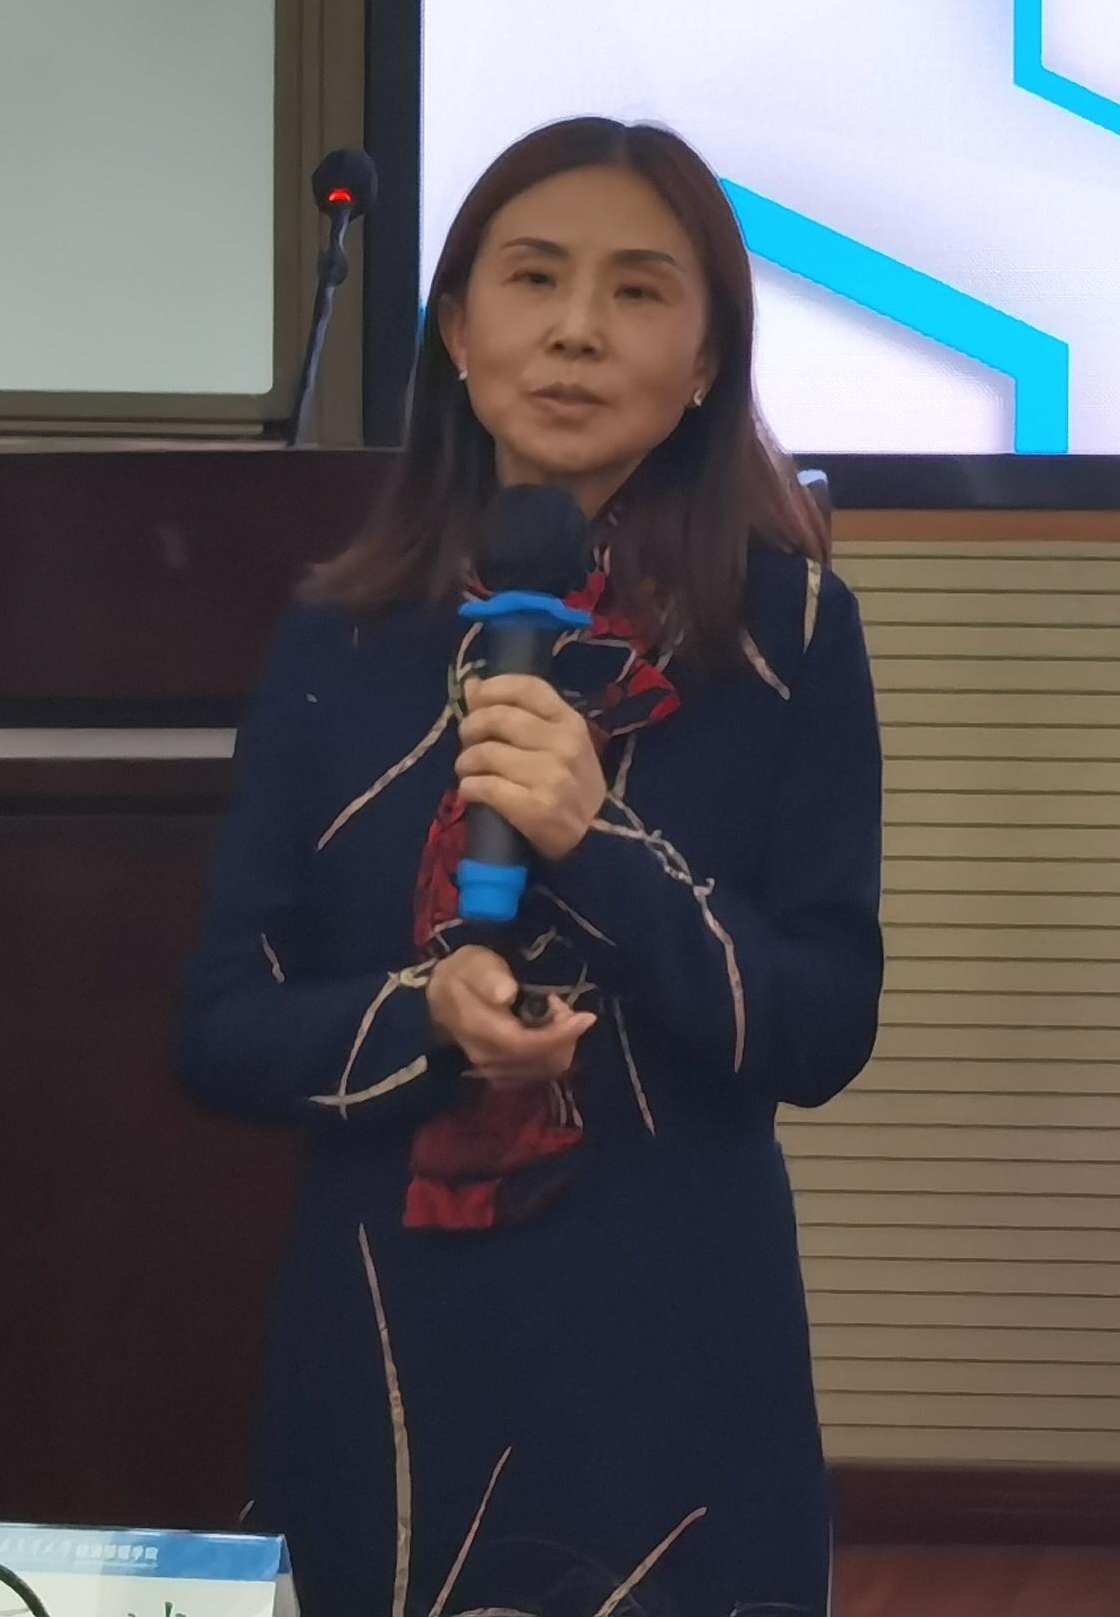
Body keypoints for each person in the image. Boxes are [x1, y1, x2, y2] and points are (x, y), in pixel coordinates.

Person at [176, 118, 884, 1615]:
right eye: (534, 277)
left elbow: (823, 1026)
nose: (575, 329)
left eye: (637, 290)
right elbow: (224, 1026)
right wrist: (426, 1018)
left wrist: (597, 841)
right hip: (389, 1332)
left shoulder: (793, 635)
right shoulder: (339, 634)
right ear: (456, 328)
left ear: (707, 360)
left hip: (680, 1335)